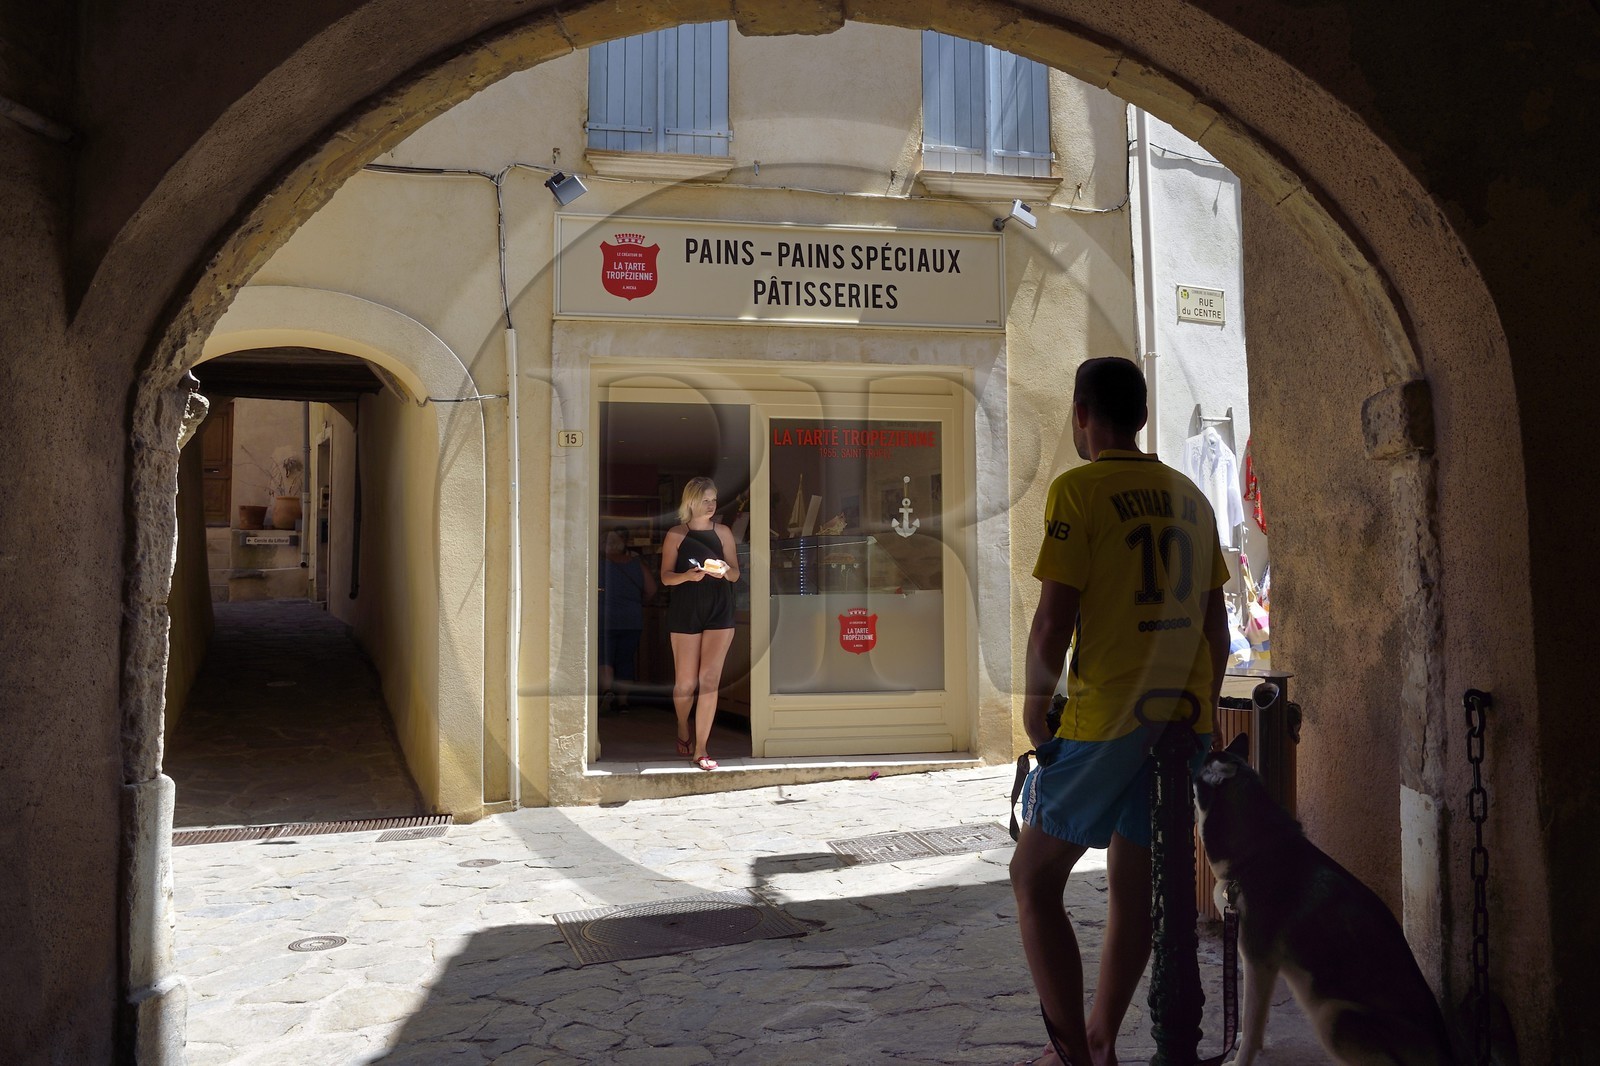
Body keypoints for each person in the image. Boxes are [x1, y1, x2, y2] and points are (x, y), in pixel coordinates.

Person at [1011, 357, 1230, 1066]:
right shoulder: (1190, 494)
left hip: (1106, 719)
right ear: (1138, 414)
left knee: (1032, 877)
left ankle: (1072, 1052)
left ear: (1082, 414)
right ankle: (1100, 1041)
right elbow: (1216, 630)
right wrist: (1198, 713)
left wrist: (1035, 705)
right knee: (1137, 887)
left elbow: (1052, 622)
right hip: (1182, 720)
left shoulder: (1079, 490)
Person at [659, 476, 741, 771]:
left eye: (714, 499)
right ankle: (683, 727)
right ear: (690, 501)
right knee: (686, 683)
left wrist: (724, 570)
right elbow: (665, 576)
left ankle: (702, 749)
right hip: (686, 611)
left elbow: (735, 575)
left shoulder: (724, 533)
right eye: (705, 499)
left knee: (708, 682)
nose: (711, 505)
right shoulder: (677, 534)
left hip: (720, 611)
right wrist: (686, 577)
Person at [598, 528, 656, 713]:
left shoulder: (598, 565)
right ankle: (623, 703)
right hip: (632, 619)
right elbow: (652, 589)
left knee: (605, 658)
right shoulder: (637, 564)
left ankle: (607, 692)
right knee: (625, 660)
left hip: (604, 619)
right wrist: (640, 603)